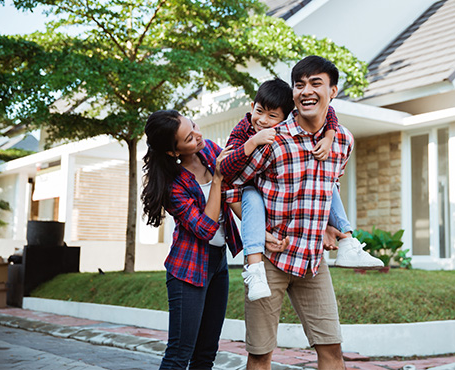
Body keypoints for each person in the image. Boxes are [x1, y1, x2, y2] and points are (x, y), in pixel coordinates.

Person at [224, 55, 356, 370]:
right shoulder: (273, 139)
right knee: (260, 355)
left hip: (312, 260)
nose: (306, 91)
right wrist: (258, 232)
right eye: (300, 85)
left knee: (332, 351)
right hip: (270, 259)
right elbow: (230, 182)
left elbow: (329, 184)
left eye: (316, 83)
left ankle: (352, 242)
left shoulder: (342, 141)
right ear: (293, 93)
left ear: (333, 91)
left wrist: (326, 224)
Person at [221, 78, 382, 302]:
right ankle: (255, 269)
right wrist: (253, 141)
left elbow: (331, 113)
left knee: (329, 182)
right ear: (252, 107)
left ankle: (347, 241)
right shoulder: (245, 128)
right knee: (254, 199)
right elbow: (225, 171)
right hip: (249, 190)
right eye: (260, 112)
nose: (263, 120)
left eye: (272, 116)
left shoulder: (287, 132)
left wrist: (329, 135)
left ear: (286, 117)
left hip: (294, 230)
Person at [140, 109, 242, 370]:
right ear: (173, 152)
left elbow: (238, 162)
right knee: (179, 353)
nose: (198, 136)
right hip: (188, 270)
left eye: (193, 126)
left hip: (218, 263)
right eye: (188, 138)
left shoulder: (207, 150)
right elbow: (206, 228)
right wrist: (218, 179)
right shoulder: (174, 186)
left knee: (207, 352)